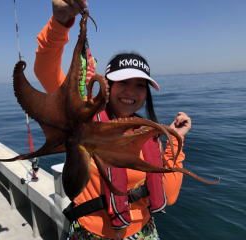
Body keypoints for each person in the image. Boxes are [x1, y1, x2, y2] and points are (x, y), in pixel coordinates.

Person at [34, 0, 192, 239]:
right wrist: (60, 23)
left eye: (140, 85)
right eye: (123, 83)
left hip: (144, 232)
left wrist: (175, 142)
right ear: (107, 85)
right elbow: (45, 69)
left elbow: (169, 195)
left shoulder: (147, 134)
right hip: (91, 232)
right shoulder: (83, 120)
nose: (131, 92)